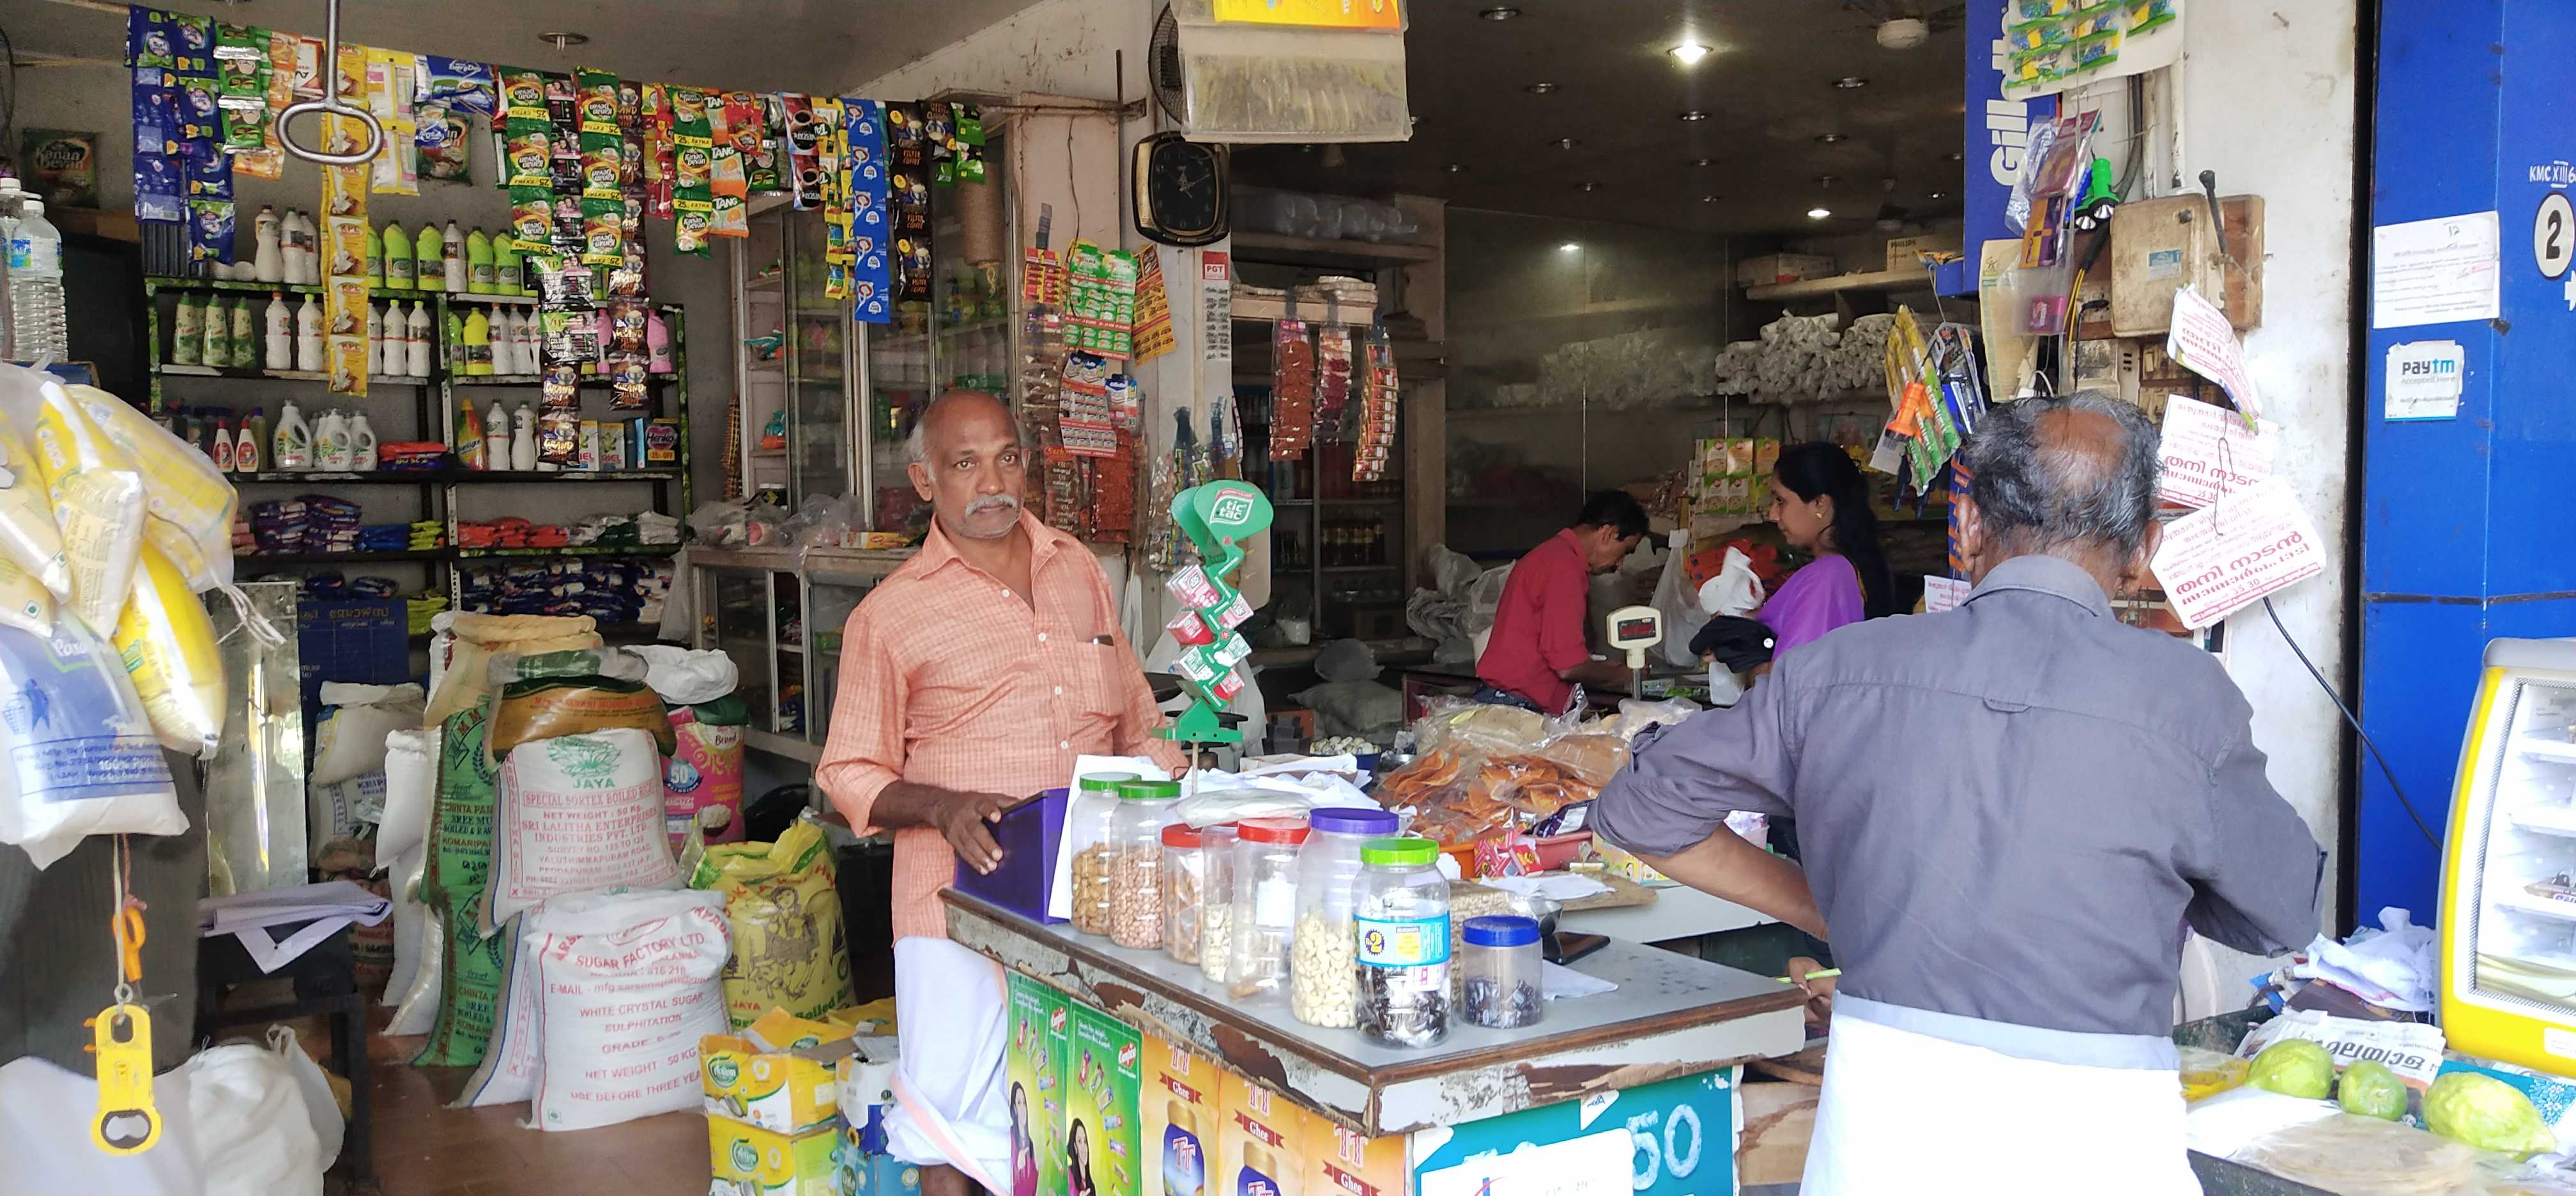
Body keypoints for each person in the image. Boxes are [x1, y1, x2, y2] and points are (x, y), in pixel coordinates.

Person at [1591, 393, 2323, 1195]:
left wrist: (1820, 907)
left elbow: (1639, 808)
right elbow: (2283, 912)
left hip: (1878, 1137)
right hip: (2100, 1146)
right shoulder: (2187, 698)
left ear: (1968, 526)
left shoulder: (1837, 670)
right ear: (2145, 551)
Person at [818, 388, 1187, 1196]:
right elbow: (848, 772)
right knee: (951, 1129)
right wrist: (941, 806)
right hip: (958, 901)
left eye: (1008, 457)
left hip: (1094, 901)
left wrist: (1185, 788)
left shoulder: (1079, 569)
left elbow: (1139, 724)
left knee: (1085, 1119)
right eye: (964, 463)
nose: (993, 481)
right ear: (925, 482)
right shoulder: (889, 616)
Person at [1473, 489, 1650, 714]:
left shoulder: (1552, 554)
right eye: (1625, 551)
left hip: (1509, 699)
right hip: (1519, 706)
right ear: (1609, 533)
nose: (1620, 565)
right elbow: (1568, 666)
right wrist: (1622, 674)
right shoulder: (1564, 569)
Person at [1754, 442, 1897, 659]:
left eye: (1781, 501)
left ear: (1820, 504)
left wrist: (1743, 663)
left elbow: (1790, 678)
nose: (1773, 515)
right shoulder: (1848, 566)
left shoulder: (1828, 576)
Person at [1009, 1082, 1038, 1196]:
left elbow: (1033, 1190)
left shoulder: (1030, 1144)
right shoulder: (1010, 1138)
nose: (1023, 1108)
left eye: (1024, 1103)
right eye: (1019, 1103)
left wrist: (1037, 1170)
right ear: (1015, 1109)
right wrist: (1017, 1167)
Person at [1066, 1118, 1096, 1196]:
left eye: (1085, 1141)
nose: (1084, 1148)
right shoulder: (1069, 1174)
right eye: (1080, 1141)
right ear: (1075, 1147)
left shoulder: (1091, 1185)